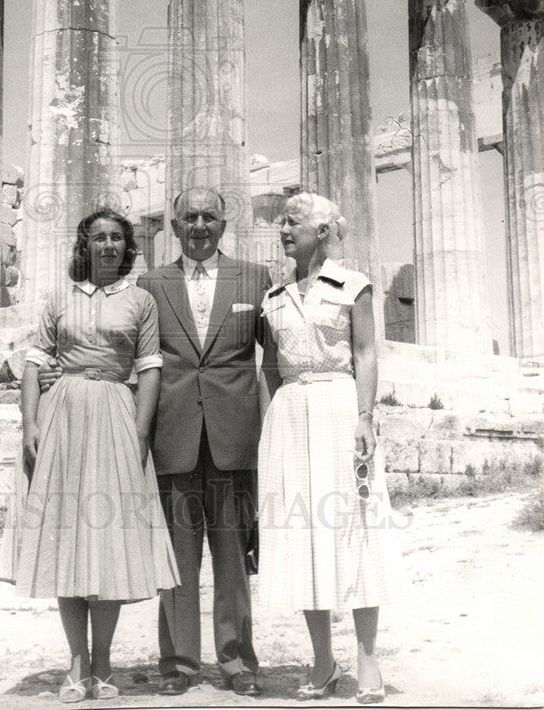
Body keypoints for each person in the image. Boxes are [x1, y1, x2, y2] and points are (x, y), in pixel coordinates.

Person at [0, 208, 179, 703]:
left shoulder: (141, 301)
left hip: (117, 415)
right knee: (65, 540)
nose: (108, 246)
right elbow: (36, 363)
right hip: (63, 419)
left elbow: (150, 369)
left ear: (128, 246)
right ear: (85, 246)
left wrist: (139, 436)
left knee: (107, 544)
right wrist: (30, 424)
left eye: (117, 238)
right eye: (98, 238)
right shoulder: (59, 297)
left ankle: (104, 664)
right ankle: (76, 664)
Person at [258, 193, 403, 705]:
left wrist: (366, 416)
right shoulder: (272, 296)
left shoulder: (353, 285)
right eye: (281, 222)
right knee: (303, 534)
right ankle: (323, 659)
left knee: (354, 526)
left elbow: (366, 352)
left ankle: (366, 658)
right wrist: (267, 427)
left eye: (292, 222)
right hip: (289, 416)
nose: (282, 229)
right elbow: (269, 369)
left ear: (321, 231)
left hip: (341, 409)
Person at [136, 187, 271, 697]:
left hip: (235, 437)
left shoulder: (255, 279)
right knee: (177, 559)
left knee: (234, 558)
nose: (198, 225)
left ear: (223, 223)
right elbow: (138, 364)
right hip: (173, 436)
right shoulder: (150, 284)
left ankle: (238, 663)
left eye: (208, 217)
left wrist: (271, 433)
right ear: (173, 226)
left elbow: (275, 361)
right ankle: (178, 664)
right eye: (189, 217)